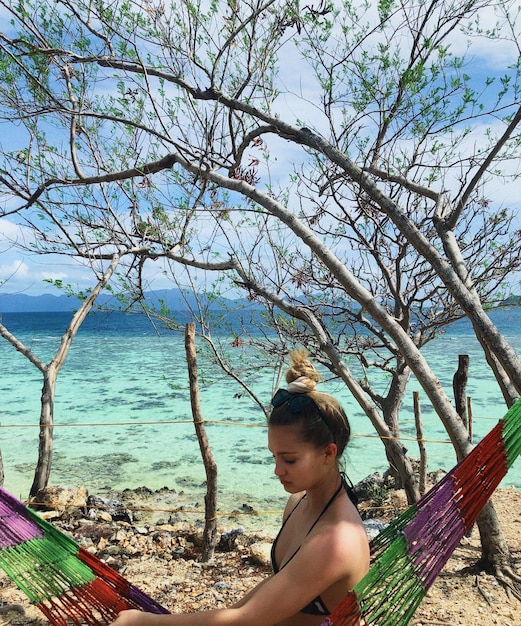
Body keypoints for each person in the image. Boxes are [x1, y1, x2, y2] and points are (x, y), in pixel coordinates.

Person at [111, 349, 370, 626]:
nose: (277, 470)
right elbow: (274, 590)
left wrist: (143, 622)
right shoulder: (298, 503)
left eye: (290, 459)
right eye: (274, 456)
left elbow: (246, 620)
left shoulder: (336, 541)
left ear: (329, 454)